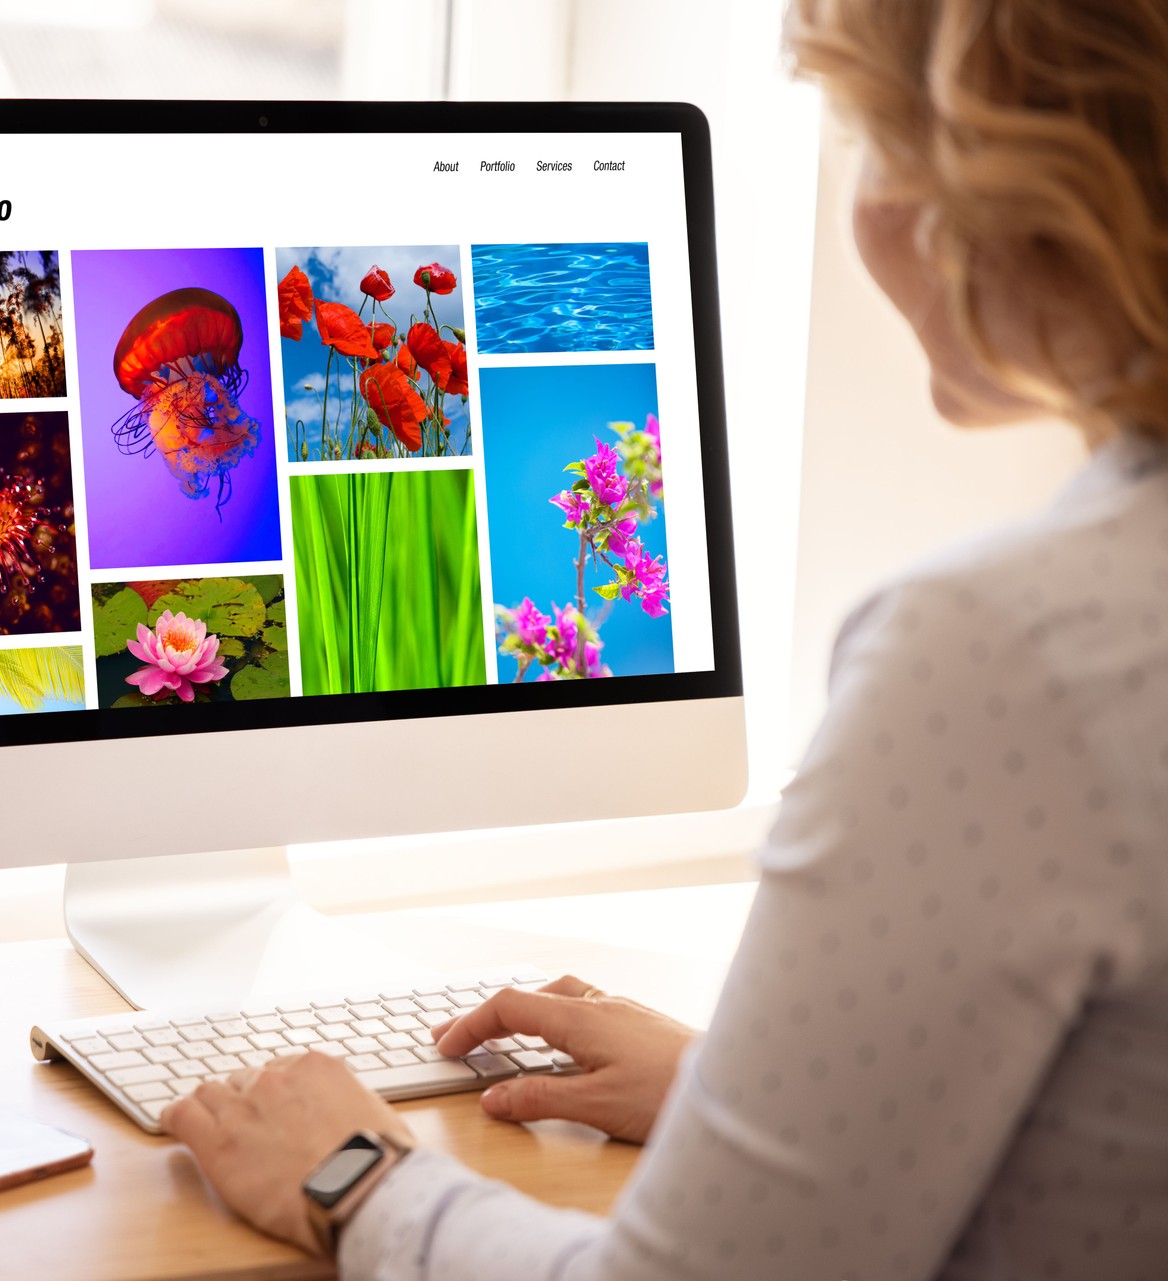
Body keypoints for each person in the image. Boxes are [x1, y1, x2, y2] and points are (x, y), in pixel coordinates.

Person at [162, 1, 1168, 1276]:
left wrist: (353, 1175)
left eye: (880, 144)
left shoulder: (1002, 661)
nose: (871, 217)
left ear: (1005, 185)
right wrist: (736, 1098)